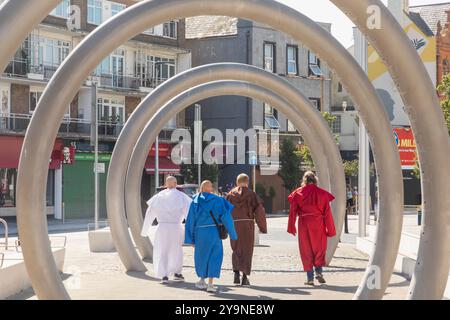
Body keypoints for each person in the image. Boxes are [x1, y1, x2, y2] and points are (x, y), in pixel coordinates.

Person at [185, 180, 238, 293]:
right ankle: (210, 284)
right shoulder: (219, 200)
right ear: (211, 188)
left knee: (201, 257)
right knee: (215, 257)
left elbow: (190, 221)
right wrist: (233, 234)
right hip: (214, 233)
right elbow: (227, 218)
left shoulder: (195, 202)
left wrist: (190, 239)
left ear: (201, 188)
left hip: (200, 233)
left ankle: (201, 280)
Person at [287, 171, 336, 286]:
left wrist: (291, 226)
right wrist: (330, 229)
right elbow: (327, 213)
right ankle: (318, 272)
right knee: (319, 248)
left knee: (306, 249)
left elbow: (292, 211)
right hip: (318, 223)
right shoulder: (323, 194)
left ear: (304, 180)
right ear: (315, 180)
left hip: (304, 223)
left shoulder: (298, 193)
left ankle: (310, 278)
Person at [141, 176, 192, 284]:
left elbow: (149, 214)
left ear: (165, 184)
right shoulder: (181, 196)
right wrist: (192, 229)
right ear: (175, 183)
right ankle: (177, 273)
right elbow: (189, 214)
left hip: (162, 227)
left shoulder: (158, 197)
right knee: (177, 251)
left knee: (162, 250)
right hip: (176, 227)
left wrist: (144, 231)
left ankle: (163, 275)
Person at [225, 173, 267, 286]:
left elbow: (224, 212)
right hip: (247, 225)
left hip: (234, 225)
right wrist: (262, 227)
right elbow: (259, 211)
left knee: (236, 249)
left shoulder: (230, 194)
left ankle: (235, 274)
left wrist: (225, 227)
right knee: (247, 250)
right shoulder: (252, 194)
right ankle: (244, 276)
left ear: (237, 182)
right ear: (247, 182)